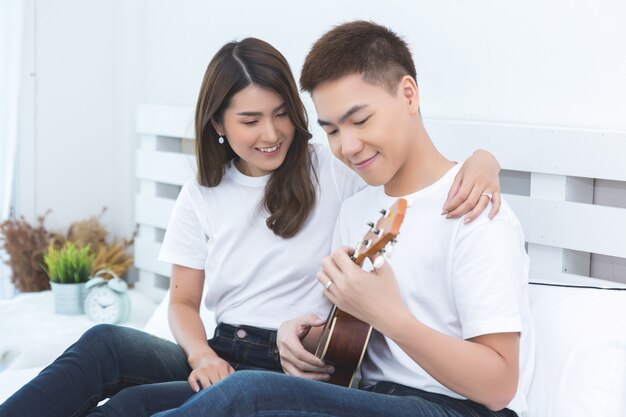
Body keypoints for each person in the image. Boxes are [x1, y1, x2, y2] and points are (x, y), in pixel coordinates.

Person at [0, 37, 502, 417]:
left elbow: (412, 168)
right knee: (109, 350)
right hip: (226, 347)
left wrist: (483, 162)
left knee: (187, 400)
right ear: (218, 124)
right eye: (250, 119)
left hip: (293, 367)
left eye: (282, 114)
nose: (270, 133)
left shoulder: (333, 168)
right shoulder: (202, 194)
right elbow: (181, 302)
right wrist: (200, 356)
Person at [149, 21, 535, 417]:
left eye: (360, 120)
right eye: (331, 130)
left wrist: (389, 316)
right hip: (370, 396)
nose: (347, 146)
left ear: (408, 94)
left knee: (249, 394)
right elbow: (349, 336)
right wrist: (295, 334)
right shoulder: (356, 211)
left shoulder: (475, 208)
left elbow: (499, 386)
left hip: (459, 408)